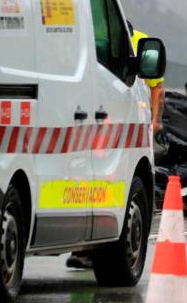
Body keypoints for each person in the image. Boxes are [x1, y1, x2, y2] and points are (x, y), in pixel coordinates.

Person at [66, 27, 165, 270]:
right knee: (99, 181)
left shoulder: (138, 42)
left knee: (101, 181)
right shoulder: (98, 37)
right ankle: (87, 247)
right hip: (104, 120)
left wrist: (154, 121)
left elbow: (157, 88)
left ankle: (89, 247)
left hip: (120, 120)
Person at [131, 29, 165, 134]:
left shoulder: (139, 39)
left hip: (132, 119)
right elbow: (157, 87)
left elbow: (157, 87)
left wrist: (155, 121)